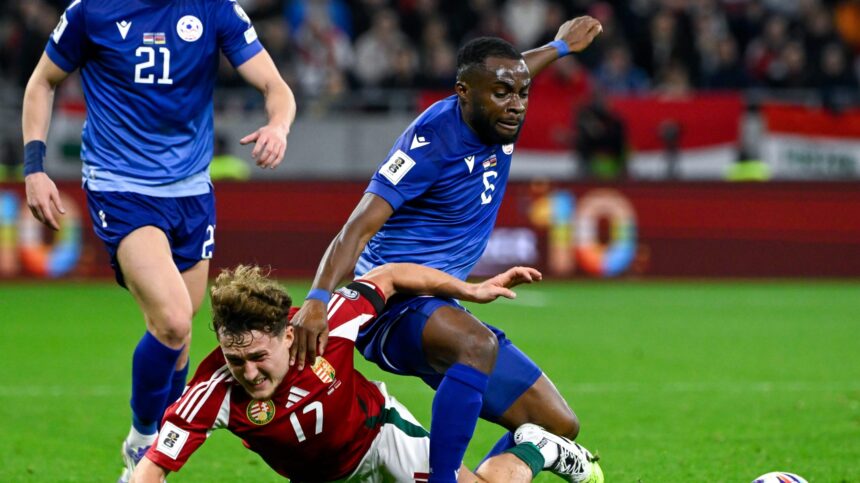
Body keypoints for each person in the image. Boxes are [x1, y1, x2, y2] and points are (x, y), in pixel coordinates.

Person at [290, 17, 603, 483]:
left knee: (556, 425)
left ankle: (502, 469)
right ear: (463, 93)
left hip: (439, 303)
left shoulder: (496, 109)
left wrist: (559, 47)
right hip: (391, 306)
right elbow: (355, 230)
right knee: (476, 344)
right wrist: (317, 300)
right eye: (503, 94)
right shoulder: (431, 142)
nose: (516, 105)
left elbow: (511, 71)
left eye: (522, 94)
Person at [20, 1, 296, 480]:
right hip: (120, 186)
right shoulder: (91, 12)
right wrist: (34, 167)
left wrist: (278, 125)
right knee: (172, 320)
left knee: (179, 336)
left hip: (191, 193)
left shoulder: (214, 10)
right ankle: (143, 442)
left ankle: (153, 464)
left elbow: (276, 87)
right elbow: (42, 81)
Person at [131, 262, 587, 483]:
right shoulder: (213, 390)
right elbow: (152, 467)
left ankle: (539, 447)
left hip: (382, 440)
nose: (248, 373)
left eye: (258, 357)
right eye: (236, 360)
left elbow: (387, 277)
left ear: (287, 335)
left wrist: (467, 289)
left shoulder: (324, 326)